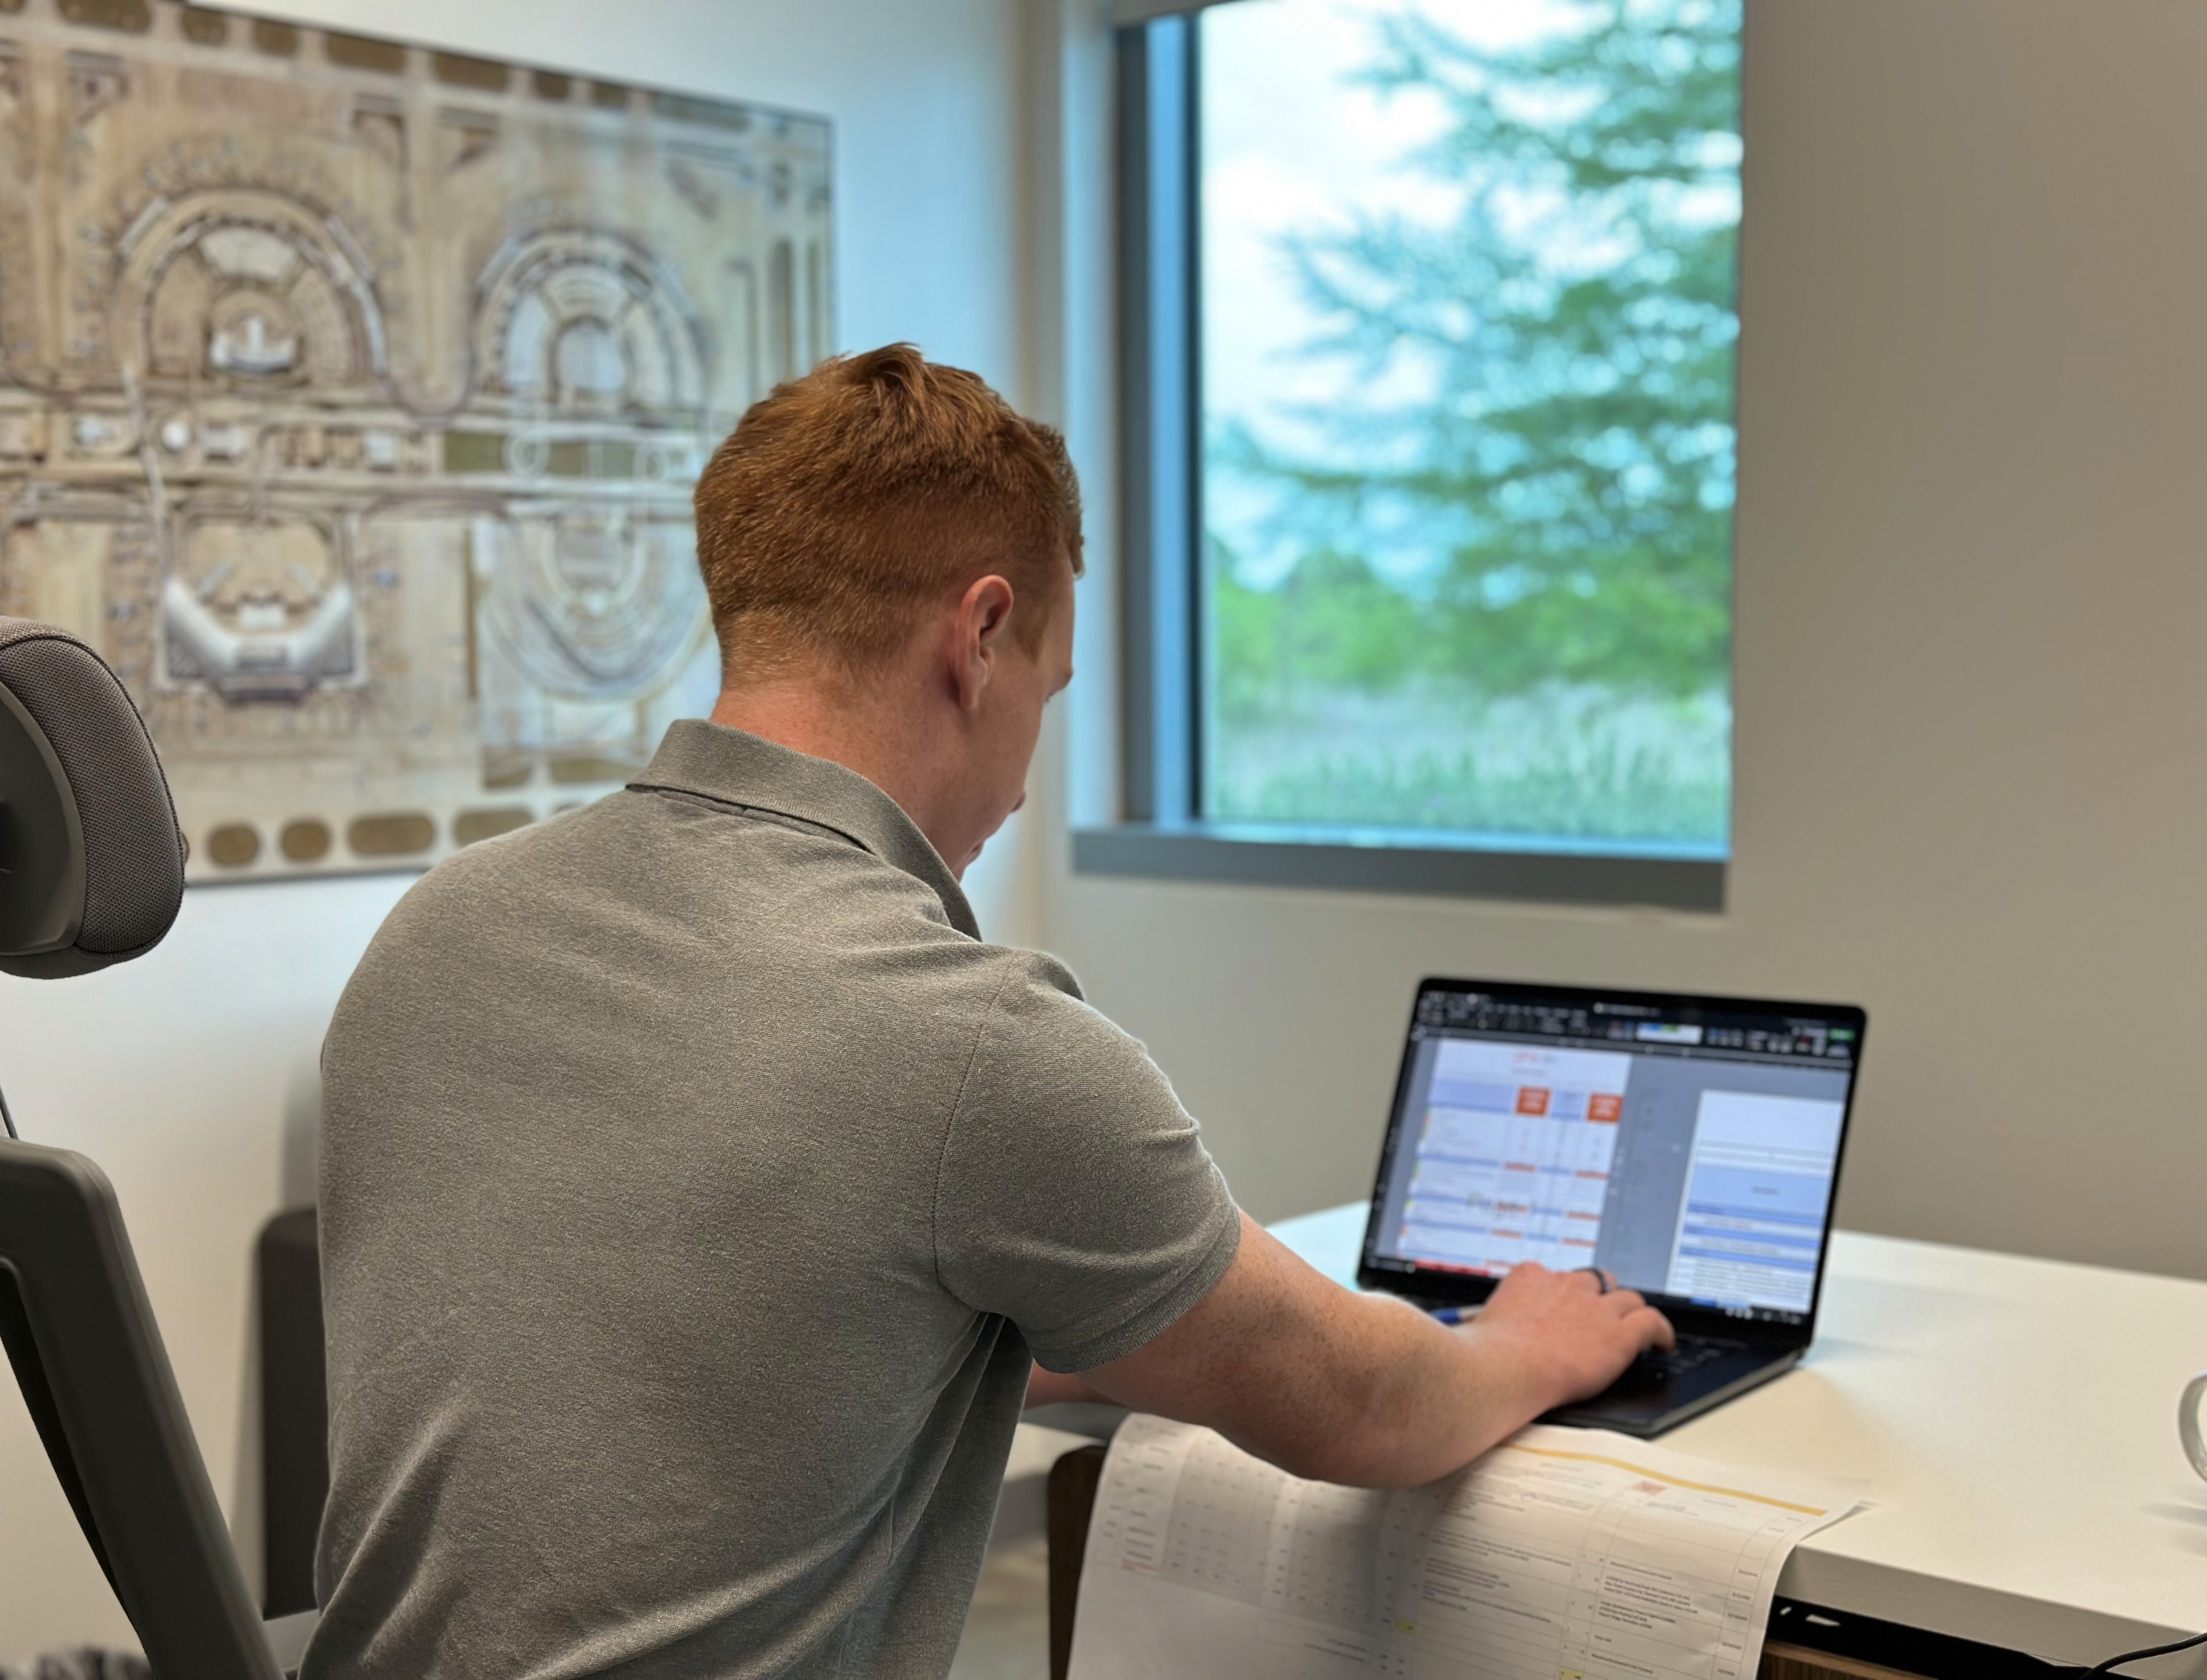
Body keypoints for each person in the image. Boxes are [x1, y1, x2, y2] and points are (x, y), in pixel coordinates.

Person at [306, 345, 1672, 1680]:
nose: (1025, 779)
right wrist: (1520, 1346)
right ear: (979, 636)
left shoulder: (443, 927)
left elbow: (726, 1347)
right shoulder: (974, 1045)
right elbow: (1366, 1411)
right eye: (1048, 693)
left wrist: (1104, 1330)